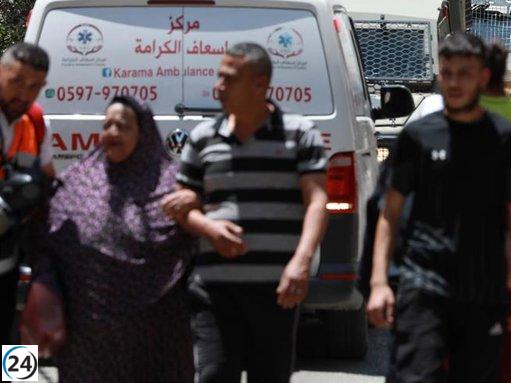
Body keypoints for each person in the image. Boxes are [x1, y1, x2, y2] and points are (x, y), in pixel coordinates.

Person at [368, 33, 511, 383]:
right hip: (423, 282)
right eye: (447, 73)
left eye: (464, 73)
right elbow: (389, 214)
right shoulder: (417, 137)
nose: (454, 82)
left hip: (483, 287)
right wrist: (378, 283)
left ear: (482, 77)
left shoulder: (506, 139)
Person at [161, 43, 329, 383]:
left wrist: (302, 261)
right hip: (213, 290)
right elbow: (183, 203)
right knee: (212, 375)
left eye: (229, 79)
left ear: (259, 83)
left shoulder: (299, 133)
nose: (218, 87)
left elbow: (317, 201)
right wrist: (209, 228)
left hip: (276, 291)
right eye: (219, 78)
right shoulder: (204, 138)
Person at [27, 96, 194, 382]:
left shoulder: (171, 187)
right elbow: (49, 240)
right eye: (107, 125)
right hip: (88, 334)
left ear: (144, 135)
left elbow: (188, 245)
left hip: (151, 335)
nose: (113, 133)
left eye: (123, 126)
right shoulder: (77, 182)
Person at [0, 43, 54, 342]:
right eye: (16, 81)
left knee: (18, 346)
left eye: (34, 86)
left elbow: (48, 182)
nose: (23, 93)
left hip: (13, 262)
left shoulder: (35, 120)